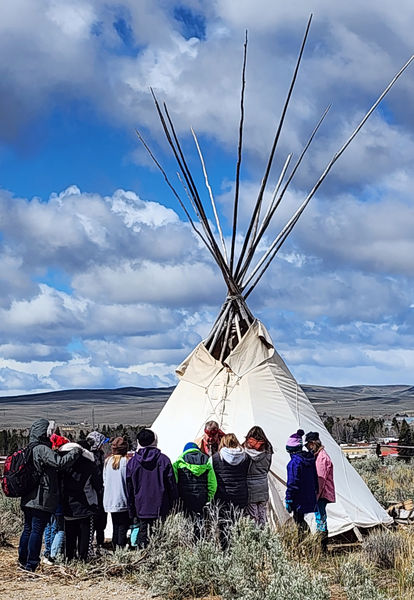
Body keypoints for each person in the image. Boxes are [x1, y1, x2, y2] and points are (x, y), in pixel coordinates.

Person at [18, 419, 82, 572]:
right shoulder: (42, 449)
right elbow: (58, 463)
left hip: (27, 497)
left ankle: (23, 559)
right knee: (36, 530)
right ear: (44, 432)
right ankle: (31, 563)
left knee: (28, 528)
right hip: (41, 497)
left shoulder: (29, 448)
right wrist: (76, 452)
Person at [126, 428, 178, 549]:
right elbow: (171, 484)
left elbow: (129, 487)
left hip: (141, 504)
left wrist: (131, 508)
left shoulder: (133, 462)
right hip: (161, 504)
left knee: (143, 533)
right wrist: (174, 502)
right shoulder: (164, 460)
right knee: (160, 535)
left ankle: (144, 559)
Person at [58, 439, 101, 561]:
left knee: (69, 535)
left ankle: (69, 559)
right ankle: (83, 560)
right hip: (86, 505)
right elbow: (98, 485)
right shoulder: (89, 465)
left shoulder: (61, 467)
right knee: (85, 536)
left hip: (67, 506)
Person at [212, 433, 250, 548]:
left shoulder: (215, 458)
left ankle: (225, 549)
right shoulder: (246, 457)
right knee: (238, 523)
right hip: (241, 494)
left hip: (223, 495)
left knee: (223, 524)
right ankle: (238, 548)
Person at [305, 431, 336, 551]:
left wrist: (315, 495)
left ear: (313, 444)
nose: (307, 448)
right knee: (320, 517)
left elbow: (320, 479)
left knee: (321, 518)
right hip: (321, 492)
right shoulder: (319, 456)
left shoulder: (322, 458)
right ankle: (322, 545)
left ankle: (322, 546)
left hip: (321, 493)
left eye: (308, 445)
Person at [42, 434, 70, 565]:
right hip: (58, 501)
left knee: (48, 526)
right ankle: (53, 554)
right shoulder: (61, 463)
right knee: (59, 529)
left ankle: (47, 552)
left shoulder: (46, 460)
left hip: (46, 500)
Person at [285, 429, 319, 537]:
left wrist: (289, 498)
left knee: (299, 521)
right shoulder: (310, 459)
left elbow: (292, 483)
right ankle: (306, 543)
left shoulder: (294, 463)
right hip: (309, 495)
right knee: (301, 520)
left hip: (298, 498)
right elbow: (315, 477)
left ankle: (305, 543)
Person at [172, 442, 217, 517]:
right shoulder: (206, 461)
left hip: (184, 498)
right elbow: (213, 483)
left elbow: (174, 482)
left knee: (186, 522)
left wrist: (177, 498)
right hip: (202, 497)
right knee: (200, 522)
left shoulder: (178, 462)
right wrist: (209, 498)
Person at [103, 436, 130, 549]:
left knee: (115, 524)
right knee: (123, 525)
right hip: (123, 498)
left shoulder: (107, 461)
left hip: (110, 499)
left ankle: (115, 545)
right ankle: (120, 546)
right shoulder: (126, 462)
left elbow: (104, 480)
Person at [243, 426, 273, 526]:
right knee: (262, 514)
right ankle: (263, 536)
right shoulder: (268, 450)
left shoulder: (244, 451)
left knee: (252, 515)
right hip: (263, 485)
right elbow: (267, 468)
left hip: (250, 487)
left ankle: (255, 537)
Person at [86, 430, 109, 549]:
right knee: (96, 519)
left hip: (97, 491)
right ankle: (93, 544)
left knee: (99, 520)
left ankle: (98, 543)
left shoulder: (97, 454)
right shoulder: (93, 457)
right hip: (95, 491)